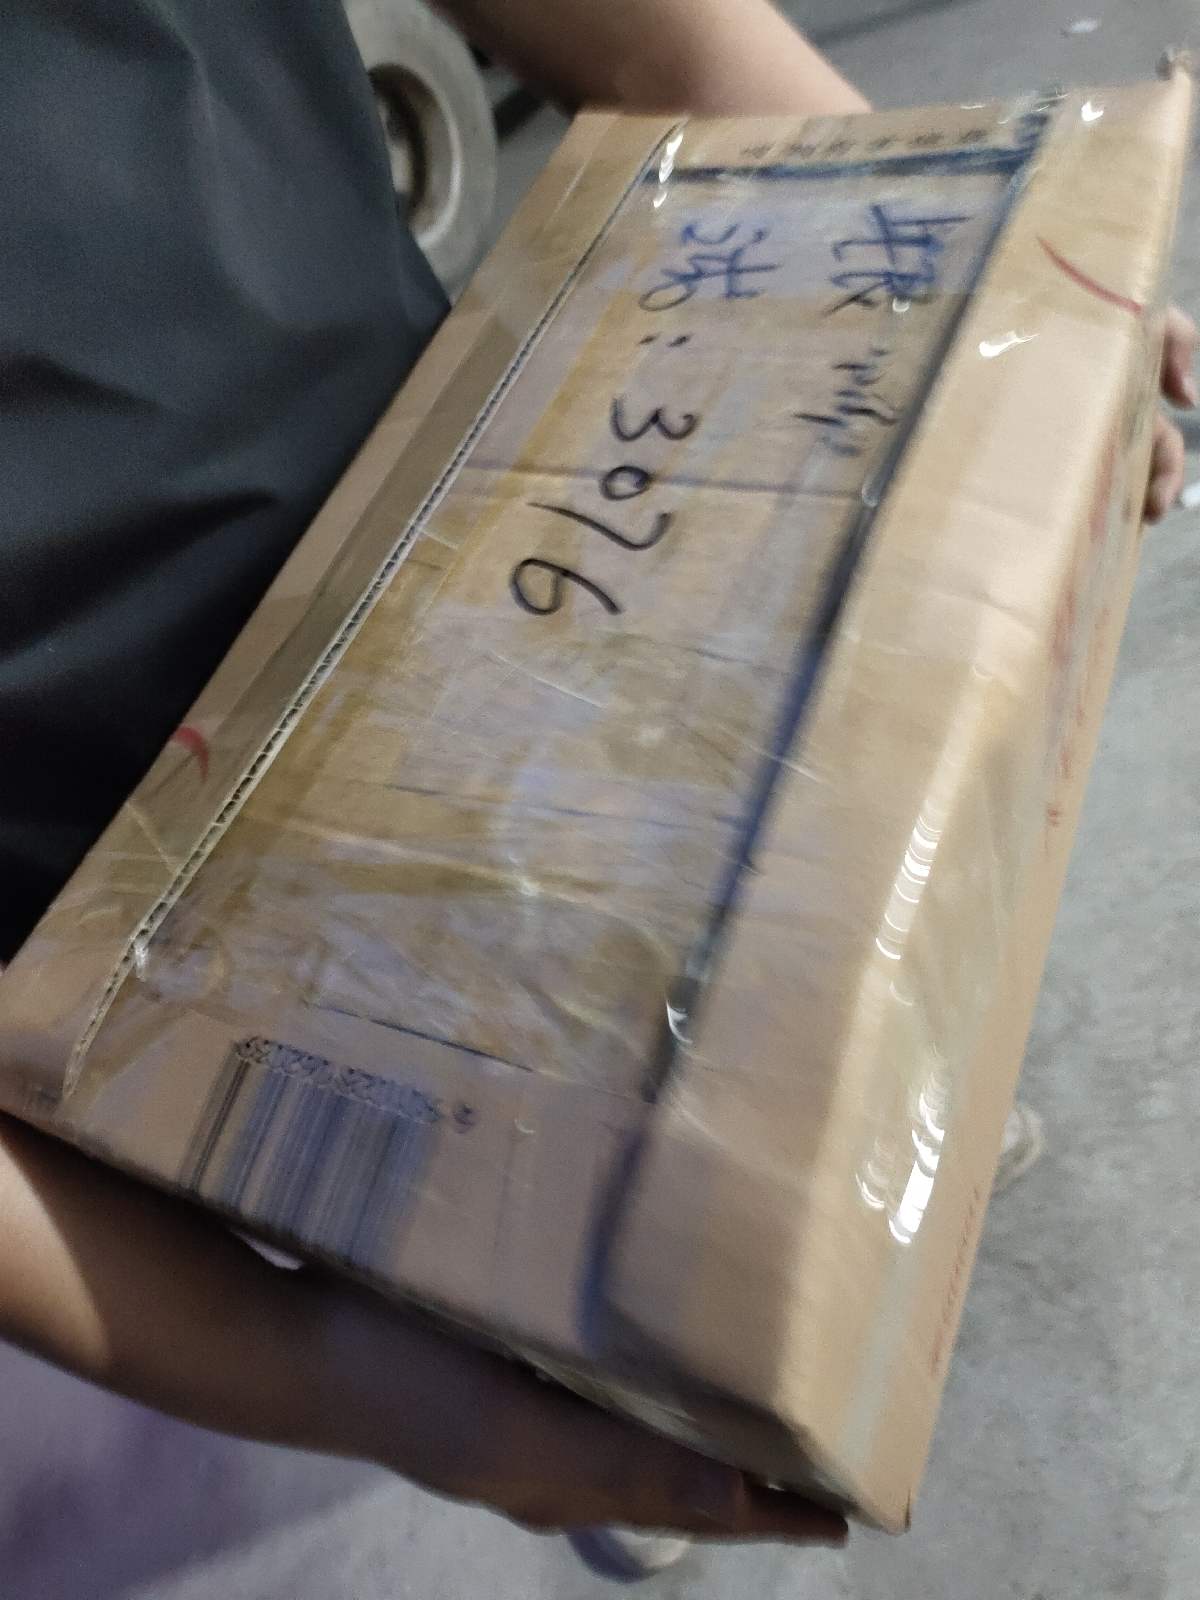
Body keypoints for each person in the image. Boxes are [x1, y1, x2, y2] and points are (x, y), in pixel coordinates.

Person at [0, 0, 1193, 1577]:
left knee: (814, 982)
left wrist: (1004, 272)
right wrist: (362, 1389)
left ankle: (861, 1179)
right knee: (493, 1237)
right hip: (144, 901)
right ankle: (624, 1371)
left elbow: (659, 48)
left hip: (515, 508)